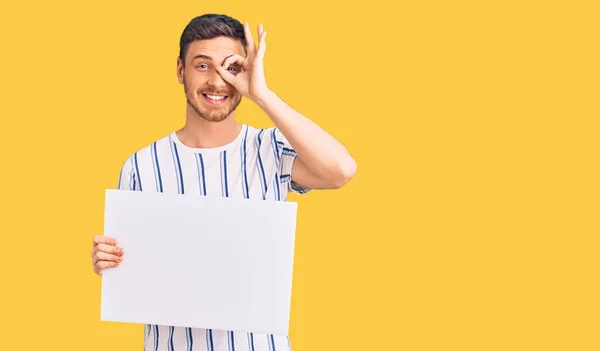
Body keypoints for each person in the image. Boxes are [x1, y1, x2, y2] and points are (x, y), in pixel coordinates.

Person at [90, 13, 356, 351]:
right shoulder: (142, 166)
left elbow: (341, 170)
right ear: (179, 70)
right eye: (203, 65)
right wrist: (109, 263)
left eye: (230, 68)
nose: (217, 81)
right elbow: (136, 272)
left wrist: (262, 95)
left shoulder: (269, 149)